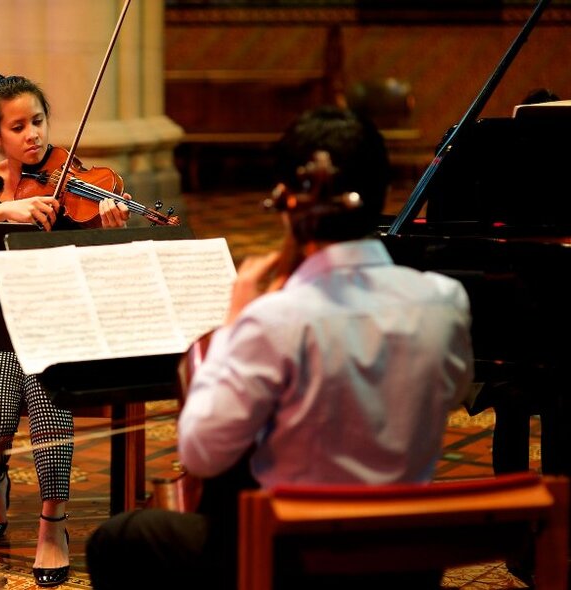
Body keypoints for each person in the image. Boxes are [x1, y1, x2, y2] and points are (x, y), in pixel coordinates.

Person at [85, 106, 475, 590]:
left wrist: (231, 327)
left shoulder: (272, 320)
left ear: (288, 201)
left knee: (120, 540)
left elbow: (202, 453)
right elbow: (453, 393)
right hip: (405, 566)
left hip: (295, 565)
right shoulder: (444, 303)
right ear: (383, 191)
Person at [0, 72, 130, 588]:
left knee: (48, 407)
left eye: (39, 121)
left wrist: (108, 228)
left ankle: (53, 523)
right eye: (18, 126)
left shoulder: (76, 185)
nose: (33, 135)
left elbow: (103, 265)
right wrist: (6, 209)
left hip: (59, 320)